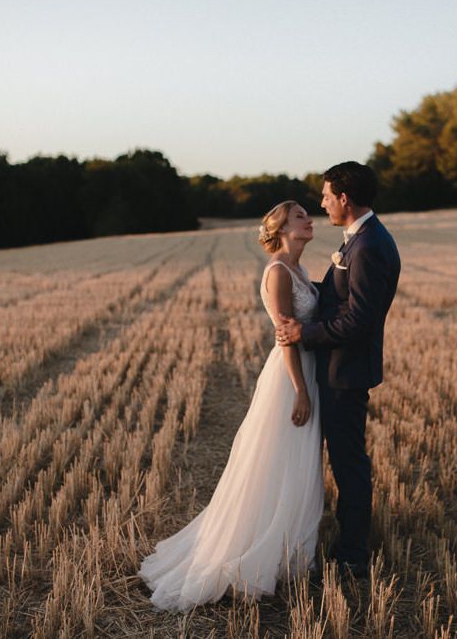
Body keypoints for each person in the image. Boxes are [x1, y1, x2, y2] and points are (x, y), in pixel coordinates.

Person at [138, 200, 324, 612]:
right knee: (276, 459)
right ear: (279, 228)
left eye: (308, 214)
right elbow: (285, 336)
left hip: (306, 371)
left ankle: (286, 548)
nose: (309, 220)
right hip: (290, 376)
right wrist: (300, 390)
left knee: (296, 462)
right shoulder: (278, 273)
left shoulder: (300, 271)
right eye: (299, 216)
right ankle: (253, 549)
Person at [276, 161, 400, 578]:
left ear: (344, 199)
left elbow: (359, 321)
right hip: (336, 369)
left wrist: (304, 334)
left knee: (348, 463)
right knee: (346, 459)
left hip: (345, 372)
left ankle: (352, 554)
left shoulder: (368, 246)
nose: (322, 203)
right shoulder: (359, 240)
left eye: (327, 196)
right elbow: (340, 303)